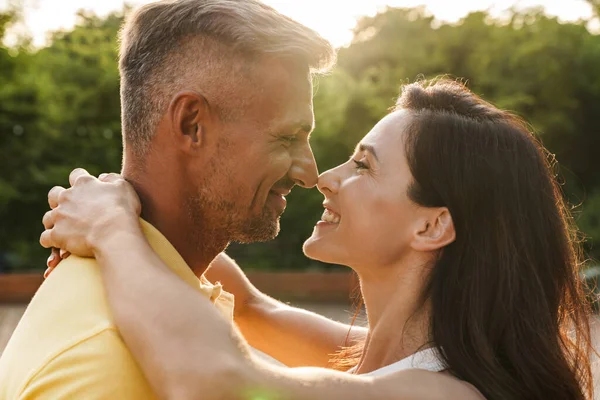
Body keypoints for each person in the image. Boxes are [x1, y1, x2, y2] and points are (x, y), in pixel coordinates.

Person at [39, 79, 596, 400]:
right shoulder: (381, 356)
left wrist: (111, 230)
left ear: (431, 226)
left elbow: (215, 381)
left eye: (362, 165)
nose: (325, 177)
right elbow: (249, 307)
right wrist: (124, 197)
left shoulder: (448, 393)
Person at [0, 0, 335, 398]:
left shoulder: (163, 297)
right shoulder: (114, 368)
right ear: (192, 124)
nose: (310, 173)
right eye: (286, 138)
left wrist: (116, 229)